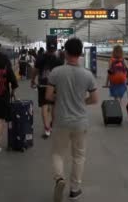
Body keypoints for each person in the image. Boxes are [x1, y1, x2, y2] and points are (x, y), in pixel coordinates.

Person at [45, 38, 99, 202]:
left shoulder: (56, 72)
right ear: (81, 53)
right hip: (80, 122)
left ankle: (59, 179)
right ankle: (75, 190)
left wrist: (61, 98)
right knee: (79, 157)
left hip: (61, 120)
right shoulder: (87, 74)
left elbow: (48, 96)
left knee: (57, 153)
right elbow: (95, 99)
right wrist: (80, 101)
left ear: (65, 53)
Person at [32, 44, 63, 139]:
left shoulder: (40, 58)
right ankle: (52, 124)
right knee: (54, 106)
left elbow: (35, 70)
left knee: (44, 106)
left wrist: (32, 80)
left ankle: (47, 129)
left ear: (47, 48)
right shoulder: (59, 60)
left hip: (42, 85)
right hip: (54, 86)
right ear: (55, 50)